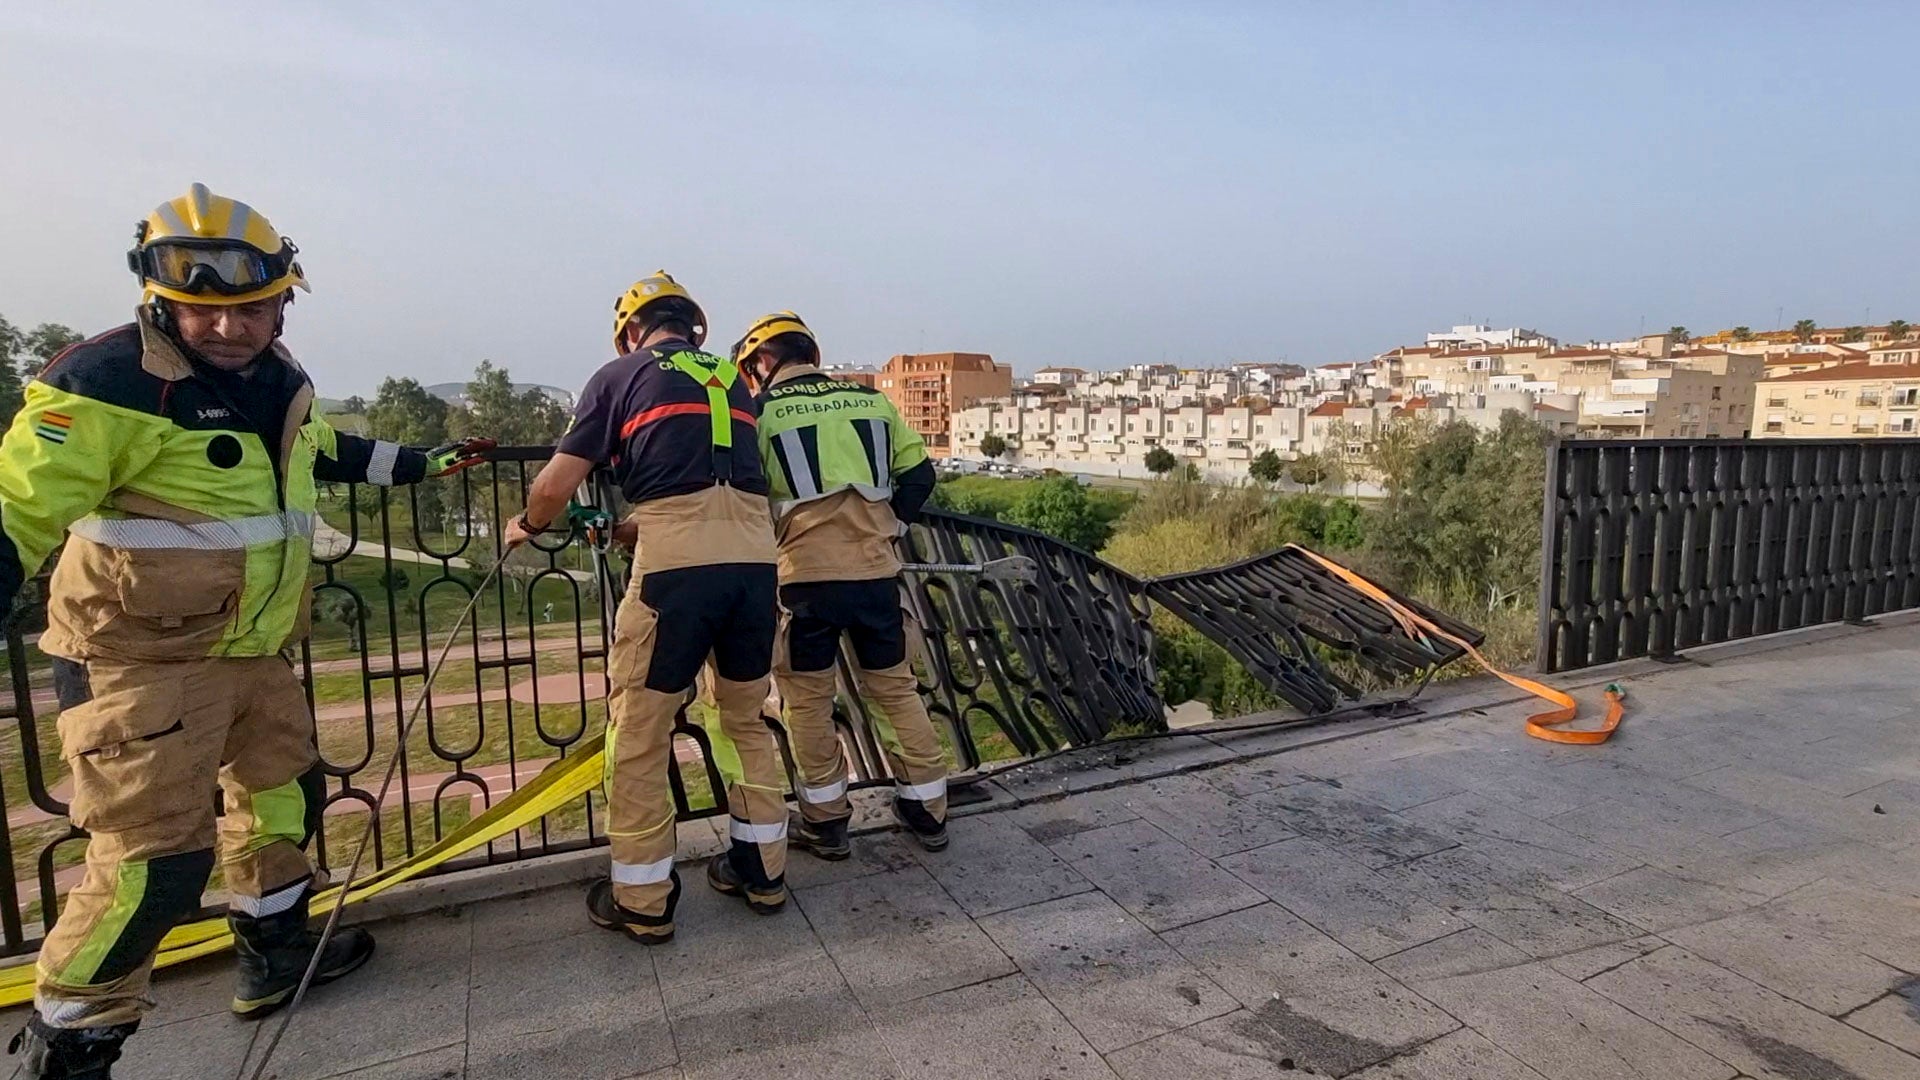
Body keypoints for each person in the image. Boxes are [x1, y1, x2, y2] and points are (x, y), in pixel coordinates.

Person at [0, 184, 491, 1078]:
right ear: (161, 302)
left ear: (281, 304)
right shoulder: (107, 382)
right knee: (151, 865)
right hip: (139, 664)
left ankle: (276, 956)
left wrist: (431, 463)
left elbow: (328, 452)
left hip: (254, 653)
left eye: (252, 309)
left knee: (281, 802)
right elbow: (19, 503)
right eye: (204, 311)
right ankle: (69, 1047)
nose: (229, 328)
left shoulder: (281, 380)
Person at [504, 271, 788, 944]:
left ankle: (643, 899)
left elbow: (556, 484)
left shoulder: (620, 374)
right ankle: (763, 871)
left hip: (674, 578)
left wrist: (528, 524)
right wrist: (645, 525)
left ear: (633, 330)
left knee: (638, 732)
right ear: (693, 326)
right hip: (755, 566)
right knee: (744, 721)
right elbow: (715, 493)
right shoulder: (732, 380)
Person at [731, 312, 949, 859]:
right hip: (875, 574)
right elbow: (920, 475)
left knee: (808, 703)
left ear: (762, 361)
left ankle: (826, 823)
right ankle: (927, 808)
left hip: (805, 581)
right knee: (895, 690)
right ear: (811, 353)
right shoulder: (872, 402)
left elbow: (743, 498)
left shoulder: (759, 413)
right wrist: (891, 525)